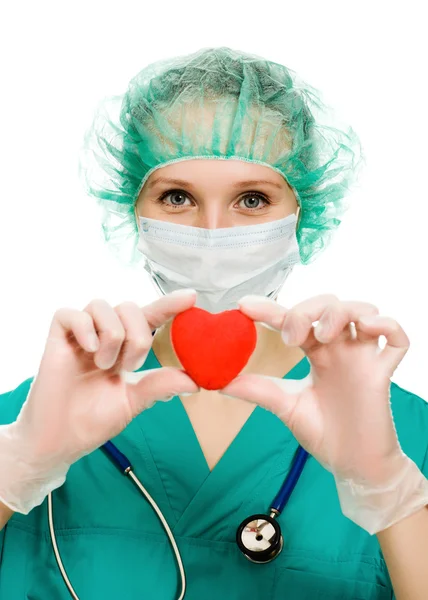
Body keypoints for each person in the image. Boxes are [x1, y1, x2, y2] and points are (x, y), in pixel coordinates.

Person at [0, 46, 427, 600]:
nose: (213, 233)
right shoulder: (34, 420)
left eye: (253, 199)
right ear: (134, 208)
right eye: (177, 196)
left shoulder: (401, 438)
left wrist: (391, 494)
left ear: (304, 213)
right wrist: (20, 465)